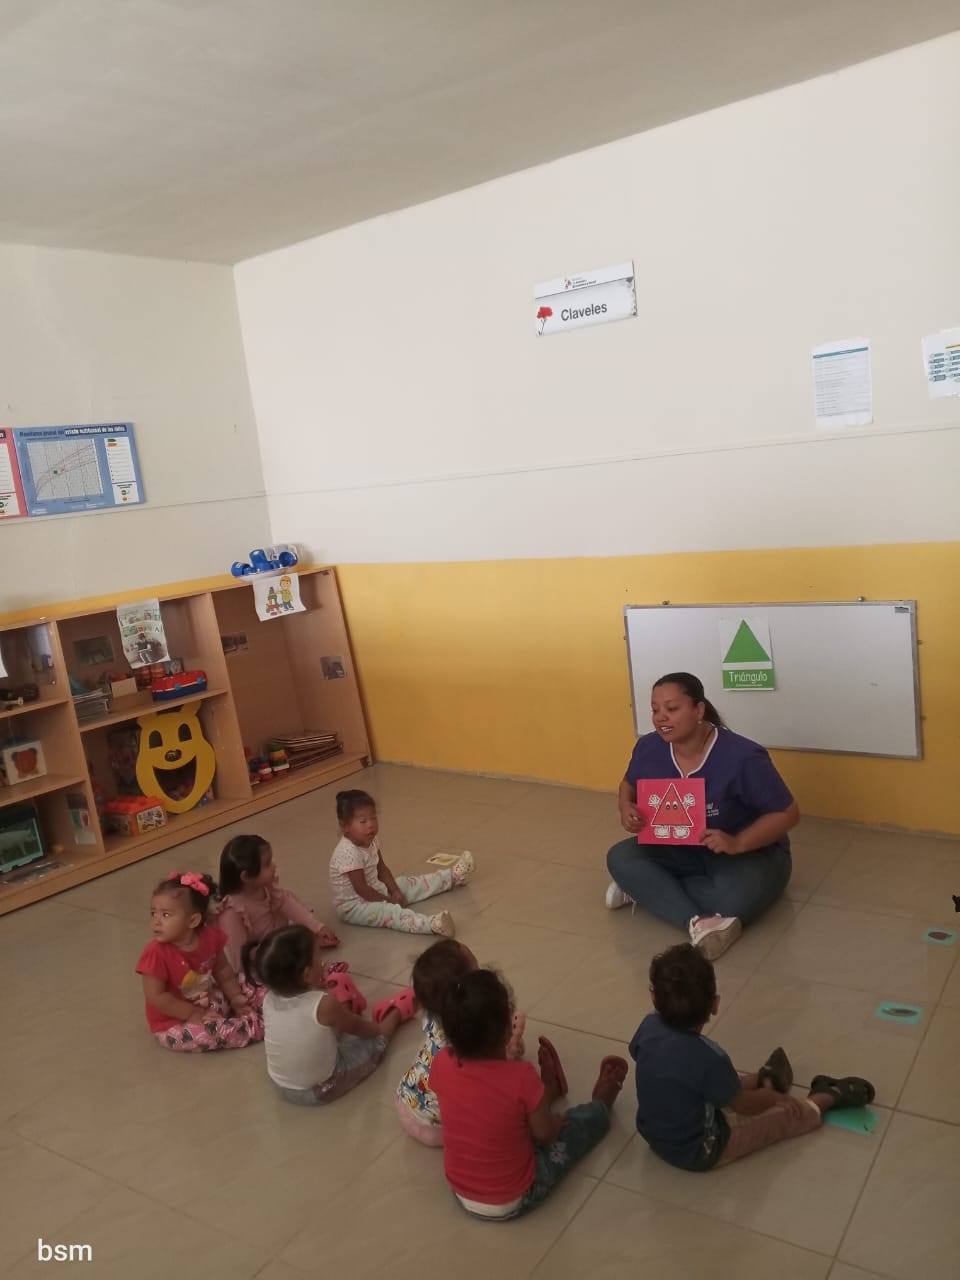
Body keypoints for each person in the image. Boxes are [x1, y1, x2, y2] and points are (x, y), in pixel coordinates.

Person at [630, 943, 876, 1170]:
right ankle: (824, 1097)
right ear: (714, 1004)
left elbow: (654, 1062)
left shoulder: (648, 1026)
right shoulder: (710, 1058)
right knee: (780, 1120)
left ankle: (762, 1079)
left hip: (653, 1133)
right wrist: (773, 1099)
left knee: (703, 1080)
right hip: (700, 1149)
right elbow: (743, 1106)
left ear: (654, 997)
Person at [606, 671, 799, 958]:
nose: (661, 718)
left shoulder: (743, 757)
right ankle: (696, 920)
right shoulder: (649, 747)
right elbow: (627, 784)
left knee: (733, 900)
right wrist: (626, 808)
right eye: (655, 710)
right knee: (619, 857)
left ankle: (650, 890)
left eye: (672, 708)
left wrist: (737, 842)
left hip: (749, 853)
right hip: (681, 846)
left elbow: (788, 813)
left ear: (699, 710)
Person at [429, 968, 628, 1219]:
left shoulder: (441, 1063)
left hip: (462, 1192)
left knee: (503, 1114)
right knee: (572, 1129)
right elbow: (545, 1134)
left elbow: (480, 1105)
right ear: (507, 1030)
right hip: (515, 1197)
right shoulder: (520, 1076)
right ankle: (600, 1106)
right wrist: (555, 1124)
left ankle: (545, 1095)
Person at [245, 924, 415, 1104]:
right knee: (376, 1042)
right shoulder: (323, 1005)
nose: (323, 960)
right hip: (321, 1089)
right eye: (318, 956)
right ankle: (395, 1012)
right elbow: (358, 1027)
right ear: (306, 975)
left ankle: (346, 1007)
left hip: (280, 1085)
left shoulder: (268, 999)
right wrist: (377, 1030)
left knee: (327, 1023)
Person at [396, 939, 526, 1146]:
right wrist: (512, 1050)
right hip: (440, 1127)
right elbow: (491, 1073)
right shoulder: (471, 1033)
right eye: (477, 971)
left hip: (405, 1102)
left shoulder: (431, 1015)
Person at [136, 871, 264, 1052]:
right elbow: (156, 997)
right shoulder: (155, 953)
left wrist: (235, 996)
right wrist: (193, 1014)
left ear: (193, 920)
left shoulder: (210, 936)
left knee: (246, 980)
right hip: (174, 1022)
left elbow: (223, 970)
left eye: (165, 915)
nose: (155, 921)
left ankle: (267, 1005)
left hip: (207, 1000)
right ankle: (257, 1027)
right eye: (153, 913)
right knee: (208, 1034)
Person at [330, 789, 475, 937]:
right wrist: (388, 901)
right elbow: (361, 889)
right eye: (363, 821)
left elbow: (382, 869)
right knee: (390, 912)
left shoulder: (371, 840)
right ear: (344, 826)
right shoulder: (348, 852)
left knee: (407, 884)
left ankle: (452, 876)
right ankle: (431, 925)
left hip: (375, 889)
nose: (370, 825)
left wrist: (395, 891)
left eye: (373, 818)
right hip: (354, 905)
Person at [216, 833, 338, 972]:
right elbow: (240, 959)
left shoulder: (266, 887)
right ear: (246, 877)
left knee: (290, 901)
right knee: (293, 958)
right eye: (267, 864)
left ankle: (310, 959)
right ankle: (315, 970)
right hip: (264, 958)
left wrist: (317, 927)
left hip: (278, 940)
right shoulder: (232, 911)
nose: (274, 866)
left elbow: (288, 905)